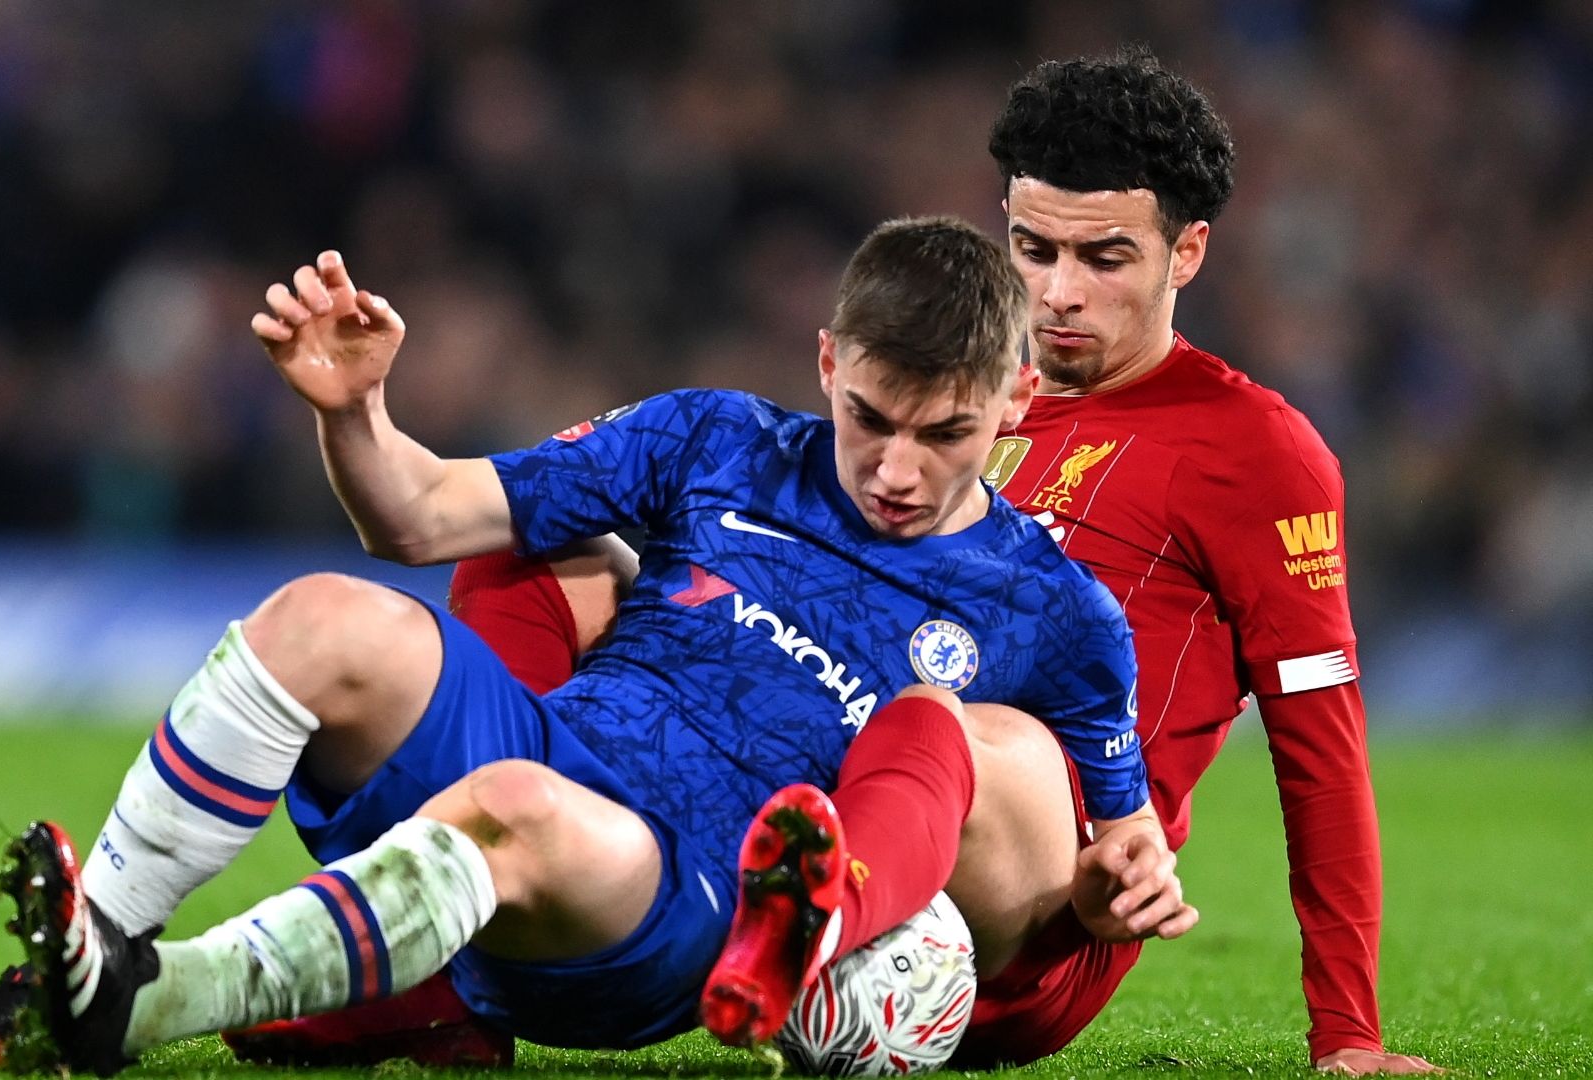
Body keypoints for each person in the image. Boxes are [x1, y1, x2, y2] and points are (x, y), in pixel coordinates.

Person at [0, 218, 1191, 1075]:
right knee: (321, 618)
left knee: (527, 807)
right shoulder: (715, 438)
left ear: (1021, 398)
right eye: (869, 418)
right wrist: (359, 416)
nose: (898, 469)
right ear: (827, 358)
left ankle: (149, 1008)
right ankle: (69, 977)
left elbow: (1114, 849)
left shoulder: (1057, 615)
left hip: (689, 888)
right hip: (566, 744)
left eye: (946, 435)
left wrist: (1119, 879)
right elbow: (424, 515)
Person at [447, 49, 1445, 1076]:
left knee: (949, 718)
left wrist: (1349, 1037)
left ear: (1186, 253)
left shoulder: (1257, 452)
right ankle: (466, 931)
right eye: (1032, 248)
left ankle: (799, 920)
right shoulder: (946, 396)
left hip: (1044, 894)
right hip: (816, 777)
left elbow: (1318, 744)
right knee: (531, 541)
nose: (1058, 293)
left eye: (1104, 258)